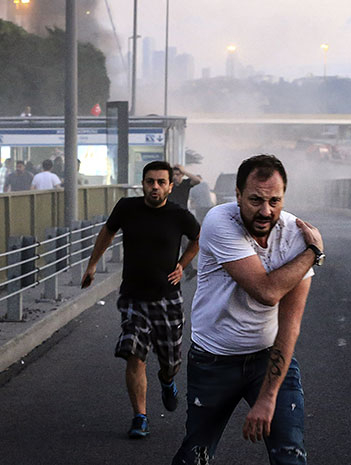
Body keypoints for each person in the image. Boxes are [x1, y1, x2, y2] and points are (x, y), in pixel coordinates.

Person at [172, 154, 325, 465]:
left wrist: (269, 397)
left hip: (268, 357)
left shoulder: (296, 235)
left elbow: (290, 324)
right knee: (195, 457)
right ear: (238, 195)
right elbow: (266, 293)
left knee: (290, 457)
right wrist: (314, 253)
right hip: (213, 360)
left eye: (274, 200)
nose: (266, 211)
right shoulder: (219, 221)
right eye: (255, 199)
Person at [81, 161, 200, 439]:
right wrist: (92, 265)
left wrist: (183, 264)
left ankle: (168, 381)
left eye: (161, 182)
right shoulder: (127, 208)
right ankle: (140, 417)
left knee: (170, 361)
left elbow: (197, 238)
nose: (155, 187)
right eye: (150, 181)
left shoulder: (179, 215)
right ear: (143, 183)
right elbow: (107, 232)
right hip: (133, 298)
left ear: (171, 186)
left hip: (167, 300)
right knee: (134, 354)